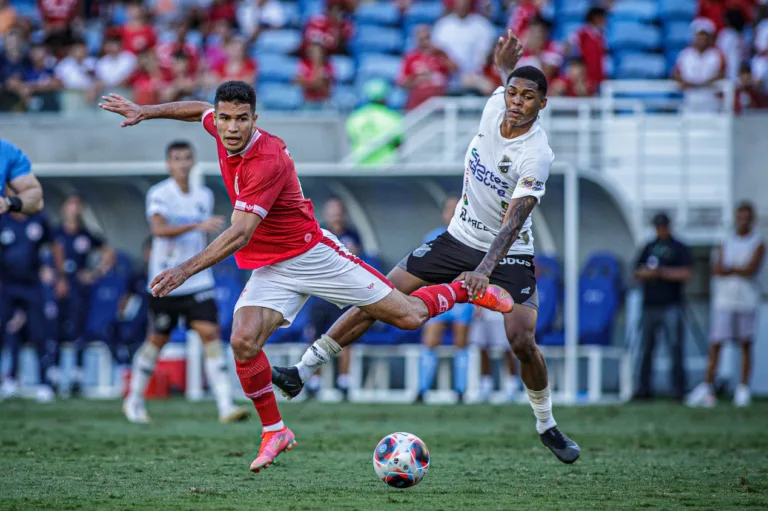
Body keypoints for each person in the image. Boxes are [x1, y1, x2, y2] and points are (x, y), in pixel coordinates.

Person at [99, 81, 510, 474]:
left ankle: (463, 289)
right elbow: (196, 110)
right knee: (243, 341)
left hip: (313, 255)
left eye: (241, 119)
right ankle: (275, 431)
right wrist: (145, 111)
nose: (231, 127)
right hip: (273, 266)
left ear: (254, 119)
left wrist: (184, 269)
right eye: (225, 118)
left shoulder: (267, 159)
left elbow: (240, 232)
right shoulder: (220, 126)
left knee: (407, 317)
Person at [272, 32, 581, 465]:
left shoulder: (536, 153)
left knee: (522, 340)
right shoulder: (496, 104)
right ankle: (302, 371)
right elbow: (507, 83)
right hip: (456, 239)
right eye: (512, 93)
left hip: (507, 252)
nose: (516, 101)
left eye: (528, 97)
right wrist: (506, 66)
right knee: (377, 294)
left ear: (541, 105)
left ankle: (546, 425)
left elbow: (515, 220)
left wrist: (484, 269)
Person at [123, 140, 250, 425]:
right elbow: (158, 229)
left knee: (211, 335)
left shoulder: (203, 196)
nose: (182, 163)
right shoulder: (160, 194)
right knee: (156, 341)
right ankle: (133, 401)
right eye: (176, 158)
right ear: (169, 163)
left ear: (193, 162)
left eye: (187, 158)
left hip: (198, 280)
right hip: (166, 280)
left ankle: (225, 405)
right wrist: (196, 225)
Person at [687, 202, 764, 408]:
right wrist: (736, 269)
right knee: (716, 343)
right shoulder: (726, 241)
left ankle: (743, 388)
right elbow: (718, 268)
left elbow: (750, 269)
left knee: (745, 343)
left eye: (746, 217)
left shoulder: (757, 242)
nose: (742, 221)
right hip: (724, 300)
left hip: (746, 300)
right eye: (740, 217)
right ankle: (707, 385)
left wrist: (732, 269)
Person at [415, 196, 476, 404]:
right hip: (438, 295)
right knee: (430, 341)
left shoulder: (473, 236)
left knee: (461, 343)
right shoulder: (432, 237)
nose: (453, 212)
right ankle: (422, 390)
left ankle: (460, 391)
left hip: (463, 297)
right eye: (449, 208)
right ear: (443, 213)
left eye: (457, 208)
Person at [51, 193, 112, 395]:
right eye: (71, 204)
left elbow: (109, 254)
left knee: (79, 329)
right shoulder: (56, 233)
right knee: (55, 328)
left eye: (78, 205)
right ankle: (55, 374)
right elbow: (44, 255)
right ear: (64, 208)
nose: (74, 209)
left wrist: (95, 273)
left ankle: (77, 375)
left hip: (79, 287)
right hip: (59, 285)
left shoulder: (86, 234)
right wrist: (51, 276)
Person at [0, 138, 46, 398]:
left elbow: (35, 197)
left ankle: (40, 381)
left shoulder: (7, 152)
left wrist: (9, 203)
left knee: (37, 330)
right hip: (9, 282)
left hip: (26, 283)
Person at [633, 213, 692, 401]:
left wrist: (661, 273)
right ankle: (643, 389)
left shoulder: (678, 247)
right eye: (658, 226)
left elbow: (686, 273)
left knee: (675, 347)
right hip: (650, 305)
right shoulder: (649, 247)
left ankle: (678, 390)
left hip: (671, 304)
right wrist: (648, 274)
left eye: (663, 226)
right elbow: (636, 271)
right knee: (646, 349)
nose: (661, 229)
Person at [673, 18, 726, 113]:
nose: (702, 38)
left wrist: (701, 84)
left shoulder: (717, 55)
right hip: (690, 101)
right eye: (699, 35)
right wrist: (687, 83)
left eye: (705, 35)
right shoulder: (685, 54)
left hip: (711, 101)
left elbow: (722, 74)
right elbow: (676, 74)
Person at [346, 79, 403, 165]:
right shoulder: (392, 117)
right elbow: (398, 143)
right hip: (386, 168)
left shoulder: (355, 117)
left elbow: (351, 139)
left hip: (360, 167)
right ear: (385, 97)